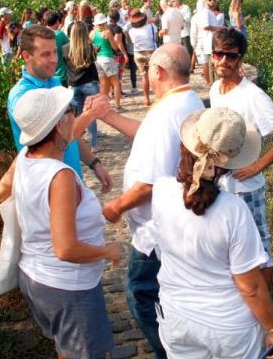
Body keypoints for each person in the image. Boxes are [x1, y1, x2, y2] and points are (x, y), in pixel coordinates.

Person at [86, 43, 204, 359]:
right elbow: (150, 135)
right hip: (179, 222)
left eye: (149, 68)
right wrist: (108, 115)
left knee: (141, 295)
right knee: (170, 293)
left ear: (159, 72)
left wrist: (116, 206)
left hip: (156, 231)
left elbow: (149, 184)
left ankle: (171, 352)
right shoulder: (188, 100)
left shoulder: (166, 113)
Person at [0, 87, 121, 359]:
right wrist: (107, 251)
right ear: (60, 125)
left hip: (35, 276)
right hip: (67, 289)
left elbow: (0, 193)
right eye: (72, 113)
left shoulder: (25, 157)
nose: (75, 118)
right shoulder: (59, 176)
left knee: (65, 350)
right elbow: (65, 249)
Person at [152, 107, 273, 359]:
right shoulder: (234, 211)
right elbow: (250, 287)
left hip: (177, 318)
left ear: (185, 148)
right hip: (230, 329)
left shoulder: (160, 192)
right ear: (227, 165)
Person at [209, 27, 273, 286]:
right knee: (231, 246)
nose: (223, 60)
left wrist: (258, 166)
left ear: (240, 59)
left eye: (231, 56)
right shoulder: (216, 90)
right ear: (212, 55)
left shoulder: (253, 96)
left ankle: (266, 311)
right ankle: (243, 299)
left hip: (247, 187)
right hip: (222, 183)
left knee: (259, 248)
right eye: (218, 54)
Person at [7, 24, 112, 191]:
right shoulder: (22, 96)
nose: (54, 59)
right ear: (26, 56)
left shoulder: (54, 82)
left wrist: (94, 163)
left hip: (71, 182)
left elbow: (70, 131)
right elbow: (55, 141)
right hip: (48, 189)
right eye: (45, 54)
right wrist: (89, 114)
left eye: (55, 52)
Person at [66, 21, 100, 153]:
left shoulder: (65, 49)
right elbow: (93, 60)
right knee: (90, 115)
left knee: (77, 117)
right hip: (89, 83)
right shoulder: (90, 48)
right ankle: (94, 145)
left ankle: (76, 144)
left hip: (73, 85)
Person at [126, 8, 158, 106]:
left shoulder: (131, 31)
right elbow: (155, 38)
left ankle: (146, 98)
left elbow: (131, 40)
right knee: (154, 75)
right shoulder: (151, 27)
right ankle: (158, 96)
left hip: (138, 54)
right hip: (151, 52)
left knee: (144, 76)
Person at [91, 13, 122, 111]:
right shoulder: (107, 32)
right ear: (104, 22)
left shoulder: (92, 33)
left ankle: (104, 106)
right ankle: (117, 105)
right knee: (116, 83)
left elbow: (92, 46)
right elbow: (114, 47)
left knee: (103, 84)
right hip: (108, 58)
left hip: (98, 60)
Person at [189, 0, 219, 85]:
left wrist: (193, 43)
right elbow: (204, 27)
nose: (212, 1)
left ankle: (208, 82)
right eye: (210, 0)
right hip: (205, 40)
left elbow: (193, 32)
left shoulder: (196, 16)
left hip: (202, 41)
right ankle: (210, 82)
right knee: (207, 62)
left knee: (205, 62)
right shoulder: (206, 13)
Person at [44, 10, 69, 87]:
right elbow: (70, 49)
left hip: (46, 76)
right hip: (61, 75)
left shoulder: (40, 35)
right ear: (57, 21)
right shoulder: (60, 35)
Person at [108, 10, 130, 98]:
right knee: (118, 74)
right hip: (117, 54)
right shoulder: (117, 29)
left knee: (111, 74)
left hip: (109, 53)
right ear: (118, 18)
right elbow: (118, 42)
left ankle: (112, 91)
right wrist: (125, 54)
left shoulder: (107, 28)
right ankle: (118, 91)